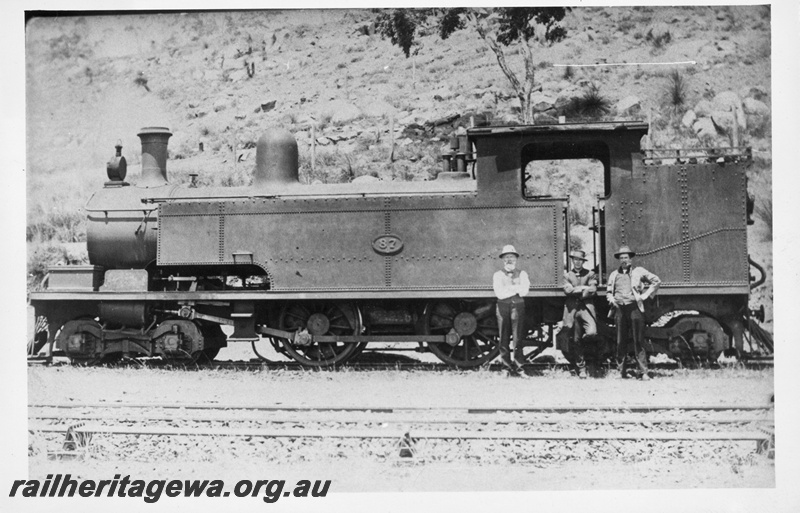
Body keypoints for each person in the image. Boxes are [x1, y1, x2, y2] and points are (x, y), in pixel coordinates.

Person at [606, 246, 661, 380]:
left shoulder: (638, 271)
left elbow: (656, 281)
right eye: (621, 258)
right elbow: (608, 292)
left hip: (634, 309)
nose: (624, 260)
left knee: (638, 341)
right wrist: (612, 299)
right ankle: (621, 372)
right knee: (620, 341)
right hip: (619, 309)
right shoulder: (614, 274)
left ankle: (644, 372)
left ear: (630, 259)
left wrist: (645, 295)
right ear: (619, 260)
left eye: (626, 257)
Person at [493, 245, 530, 376]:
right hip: (502, 308)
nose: (509, 259)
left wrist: (507, 289)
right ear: (503, 259)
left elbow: (525, 292)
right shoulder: (497, 275)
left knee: (517, 339)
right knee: (503, 339)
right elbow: (499, 294)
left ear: (516, 259)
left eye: (512, 257)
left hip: (518, 307)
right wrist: (516, 288)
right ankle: (505, 369)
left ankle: (520, 368)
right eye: (507, 257)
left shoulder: (523, 273)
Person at [562, 249, 598, 379]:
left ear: (583, 262)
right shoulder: (567, 275)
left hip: (586, 309)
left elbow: (593, 289)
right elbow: (568, 290)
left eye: (580, 260)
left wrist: (577, 290)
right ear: (572, 261)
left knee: (592, 333)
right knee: (576, 340)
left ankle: (589, 355)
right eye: (575, 260)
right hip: (573, 310)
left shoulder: (590, 274)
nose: (577, 262)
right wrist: (584, 289)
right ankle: (581, 368)